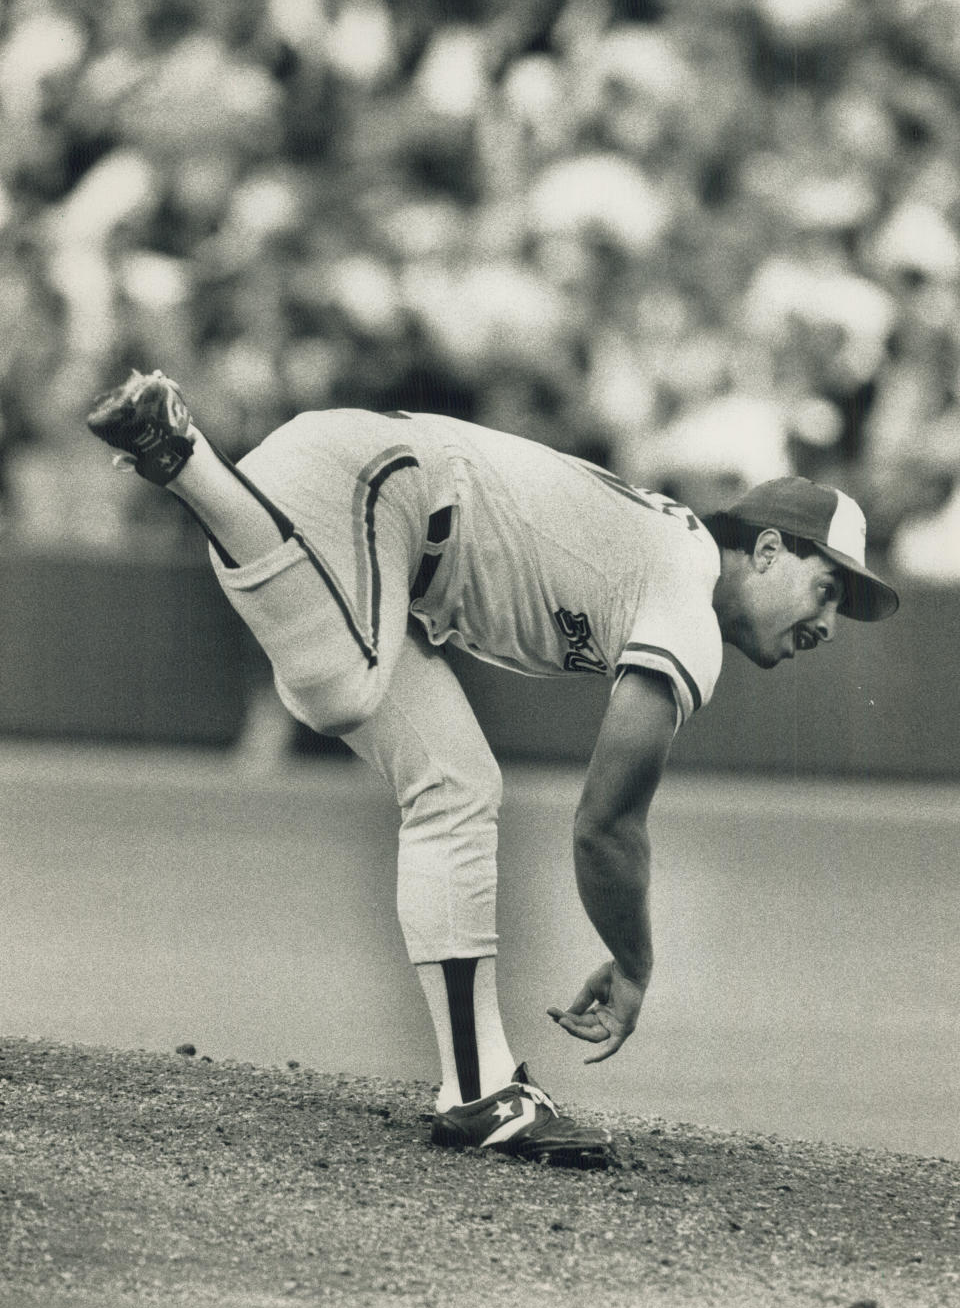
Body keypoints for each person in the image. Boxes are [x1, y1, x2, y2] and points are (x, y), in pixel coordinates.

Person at [86, 370, 899, 1169]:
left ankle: (478, 1091)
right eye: (826, 589)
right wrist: (634, 964)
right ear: (764, 550)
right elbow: (606, 825)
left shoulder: (667, 563)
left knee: (453, 783)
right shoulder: (685, 596)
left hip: (330, 517)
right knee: (341, 692)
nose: (828, 623)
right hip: (371, 491)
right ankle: (188, 460)